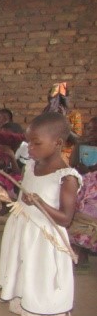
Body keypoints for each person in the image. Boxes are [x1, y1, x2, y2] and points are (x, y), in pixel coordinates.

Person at [0, 112, 81, 316]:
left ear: (57, 143)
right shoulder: (31, 166)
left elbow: (66, 218)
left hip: (45, 243)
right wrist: (8, 194)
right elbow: (23, 197)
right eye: (28, 143)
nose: (30, 149)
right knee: (26, 284)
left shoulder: (66, 177)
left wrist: (41, 204)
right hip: (24, 236)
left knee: (42, 293)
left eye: (36, 143)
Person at [69, 116, 97, 272]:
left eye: (95, 130)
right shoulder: (81, 146)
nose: (91, 132)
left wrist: (92, 171)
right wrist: (83, 169)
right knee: (77, 214)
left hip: (94, 191)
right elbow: (72, 165)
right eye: (89, 129)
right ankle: (81, 254)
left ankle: (84, 252)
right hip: (82, 186)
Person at [43, 82, 82, 164]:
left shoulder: (74, 115)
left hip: (66, 155)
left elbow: (76, 140)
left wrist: (63, 119)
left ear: (68, 99)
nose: (59, 103)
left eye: (62, 99)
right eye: (55, 99)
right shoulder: (46, 113)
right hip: (47, 152)